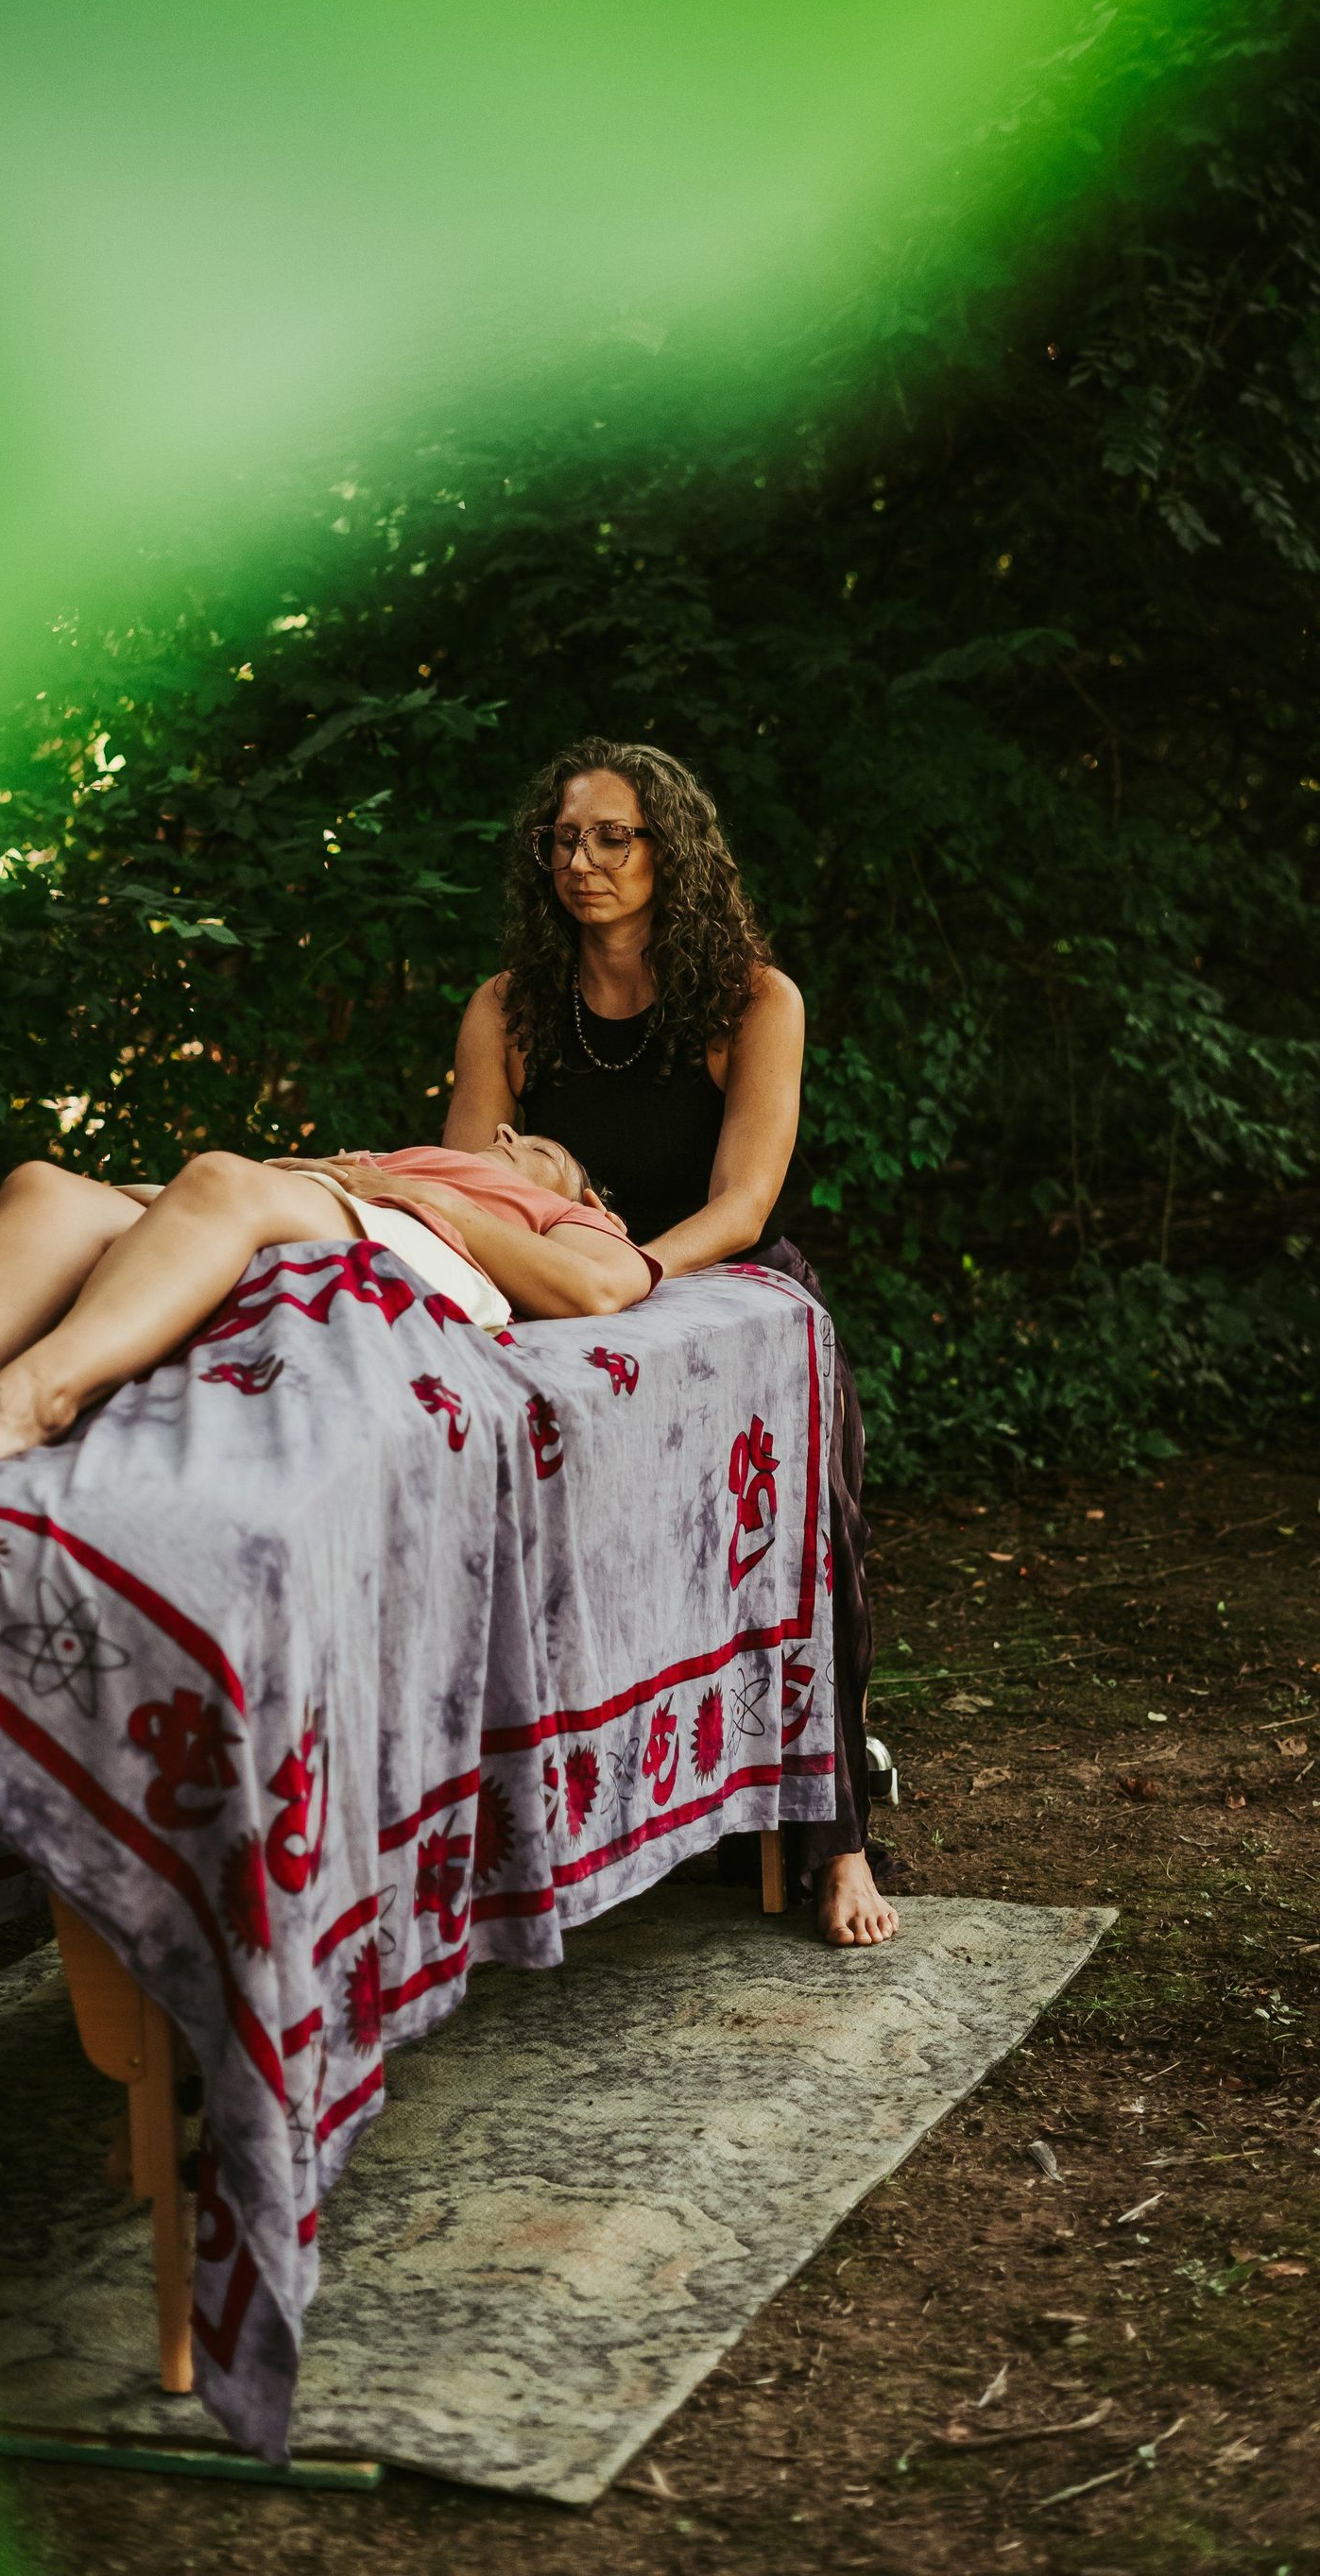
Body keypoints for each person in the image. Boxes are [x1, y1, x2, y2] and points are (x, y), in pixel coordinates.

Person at [443, 735, 898, 1950]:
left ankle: (837, 1837)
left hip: (726, 1289)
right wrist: (567, 1276)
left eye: (613, 837)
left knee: (812, 1530)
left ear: (669, 850)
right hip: (568, 1287)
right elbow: (470, 1185)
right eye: (565, 840)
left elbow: (745, 1202)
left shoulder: (752, 999)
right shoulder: (510, 1006)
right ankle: (562, 1821)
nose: (583, 862)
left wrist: (639, 1270)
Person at [0, 1126, 654, 1465]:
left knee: (223, 1179)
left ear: (590, 1202)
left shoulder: (562, 1216)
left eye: (537, 1145)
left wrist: (416, 1195)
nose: (505, 1135)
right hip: (320, 1201)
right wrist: (352, 1172)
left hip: (419, 1247)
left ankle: (33, 1398)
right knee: (48, 1189)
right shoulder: (404, 1156)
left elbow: (599, 1285)